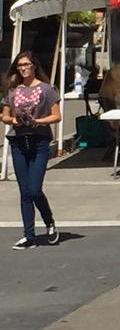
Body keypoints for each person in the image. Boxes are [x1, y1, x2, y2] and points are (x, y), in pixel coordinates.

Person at [2, 51, 60, 250]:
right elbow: (5, 116)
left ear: (34, 65)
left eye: (26, 64)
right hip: (18, 141)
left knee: (34, 189)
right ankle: (29, 236)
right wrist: (14, 120)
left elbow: (56, 116)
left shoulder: (46, 89)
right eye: (20, 65)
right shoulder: (12, 91)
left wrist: (38, 121)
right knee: (24, 191)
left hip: (39, 141)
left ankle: (49, 220)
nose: (23, 68)